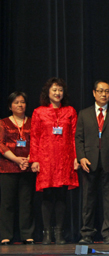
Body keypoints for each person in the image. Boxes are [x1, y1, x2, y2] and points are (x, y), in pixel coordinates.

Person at [76, 80, 109, 245]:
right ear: (93, 93)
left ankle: (108, 233)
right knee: (88, 200)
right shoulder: (84, 114)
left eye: (107, 91)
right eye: (100, 91)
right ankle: (86, 233)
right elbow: (79, 138)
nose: (104, 94)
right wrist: (81, 157)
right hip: (89, 162)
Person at [30, 77, 79, 245]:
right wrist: (34, 160)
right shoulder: (39, 112)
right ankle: (46, 233)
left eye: (60, 90)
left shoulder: (70, 111)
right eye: (54, 90)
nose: (58, 93)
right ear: (48, 93)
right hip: (45, 159)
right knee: (47, 195)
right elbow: (35, 137)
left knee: (61, 195)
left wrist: (75, 158)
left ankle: (59, 233)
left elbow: (74, 137)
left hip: (65, 158)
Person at [0, 92, 35, 245]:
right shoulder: (3, 123)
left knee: (26, 202)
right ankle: (6, 235)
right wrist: (15, 159)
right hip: (7, 167)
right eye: (16, 102)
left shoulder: (33, 122)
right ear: (10, 106)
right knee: (7, 203)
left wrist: (28, 160)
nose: (20, 105)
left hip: (27, 167)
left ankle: (27, 234)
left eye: (22, 102)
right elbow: (0, 144)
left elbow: (38, 142)